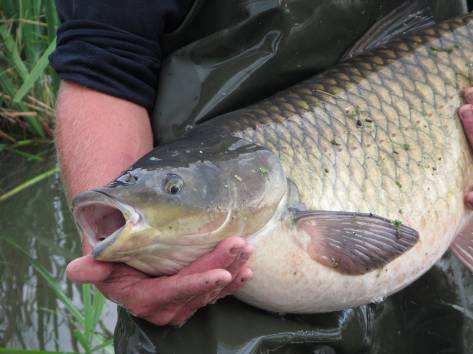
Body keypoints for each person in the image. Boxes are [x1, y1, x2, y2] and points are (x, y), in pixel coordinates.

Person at [50, 0, 473, 352]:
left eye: (174, 188)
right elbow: (104, 60)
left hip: (444, 264)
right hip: (207, 315)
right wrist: (126, 253)